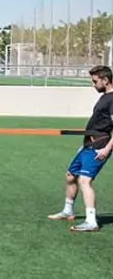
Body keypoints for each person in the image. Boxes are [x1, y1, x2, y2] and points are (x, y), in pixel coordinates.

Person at [49, 64, 113, 232]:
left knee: (85, 181)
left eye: (95, 81)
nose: (93, 85)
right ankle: (68, 210)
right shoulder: (105, 97)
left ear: (105, 80)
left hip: (99, 145)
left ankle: (91, 221)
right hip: (88, 144)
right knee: (71, 175)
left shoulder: (112, 99)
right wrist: (84, 146)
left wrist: (106, 149)